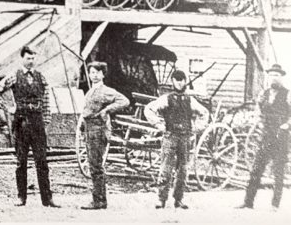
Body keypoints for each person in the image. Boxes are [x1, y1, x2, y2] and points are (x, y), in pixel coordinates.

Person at [0, 46, 60, 208]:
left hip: (37, 123)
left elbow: (46, 100)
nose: (31, 61)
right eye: (28, 58)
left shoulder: (40, 77)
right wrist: (8, 108)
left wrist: (46, 121)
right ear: (22, 58)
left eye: (33, 58)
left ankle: (47, 199)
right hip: (21, 123)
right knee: (21, 162)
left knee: (42, 161)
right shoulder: (14, 75)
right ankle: (21, 197)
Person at [236, 63, 291, 211]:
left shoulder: (289, 94)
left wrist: (287, 125)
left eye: (277, 75)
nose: (274, 78)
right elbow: (258, 112)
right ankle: (248, 202)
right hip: (266, 137)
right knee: (256, 170)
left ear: (282, 77)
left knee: (278, 172)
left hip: (280, 138)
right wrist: (258, 122)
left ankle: (274, 204)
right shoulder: (263, 94)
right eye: (271, 74)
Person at [144, 69, 209, 210]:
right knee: (166, 168)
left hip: (185, 137)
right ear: (172, 81)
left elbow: (204, 113)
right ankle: (161, 199)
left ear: (185, 81)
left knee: (183, 169)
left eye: (182, 80)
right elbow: (149, 109)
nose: (179, 83)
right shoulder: (167, 98)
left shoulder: (189, 99)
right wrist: (159, 124)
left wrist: (196, 128)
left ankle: (179, 199)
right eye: (176, 80)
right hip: (170, 136)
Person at [77, 62, 129, 210]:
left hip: (98, 129)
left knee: (96, 166)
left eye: (97, 72)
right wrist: (81, 127)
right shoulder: (89, 91)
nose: (94, 75)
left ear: (103, 74)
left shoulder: (106, 91)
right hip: (89, 129)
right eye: (92, 72)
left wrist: (107, 109)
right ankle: (99, 199)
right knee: (93, 165)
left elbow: (124, 101)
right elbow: (85, 111)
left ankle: (99, 201)